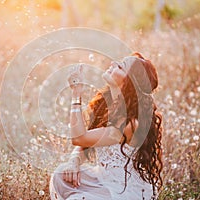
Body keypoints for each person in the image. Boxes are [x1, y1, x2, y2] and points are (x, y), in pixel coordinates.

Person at [49, 52, 163, 200]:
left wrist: (76, 94)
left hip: (125, 191)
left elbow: (79, 138)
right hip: (104, 179)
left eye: (121, 66)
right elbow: (85, 144)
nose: (113, 63)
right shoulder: (107, 104)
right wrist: (74, 161)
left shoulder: (131, 124)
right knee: (61, 175)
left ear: (129, 82)